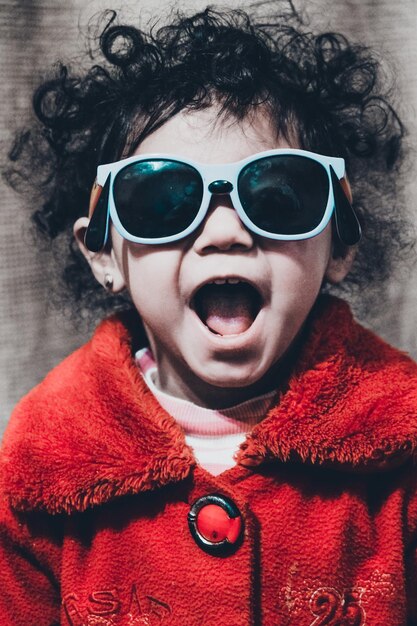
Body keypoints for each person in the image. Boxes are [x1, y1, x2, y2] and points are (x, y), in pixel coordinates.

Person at [1, 5, 416, 625]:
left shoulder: (401, 453)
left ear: (341, 246)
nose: (225, 232)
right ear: (102, 254)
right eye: (163, 199)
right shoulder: (38, 475)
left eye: (278, 195)